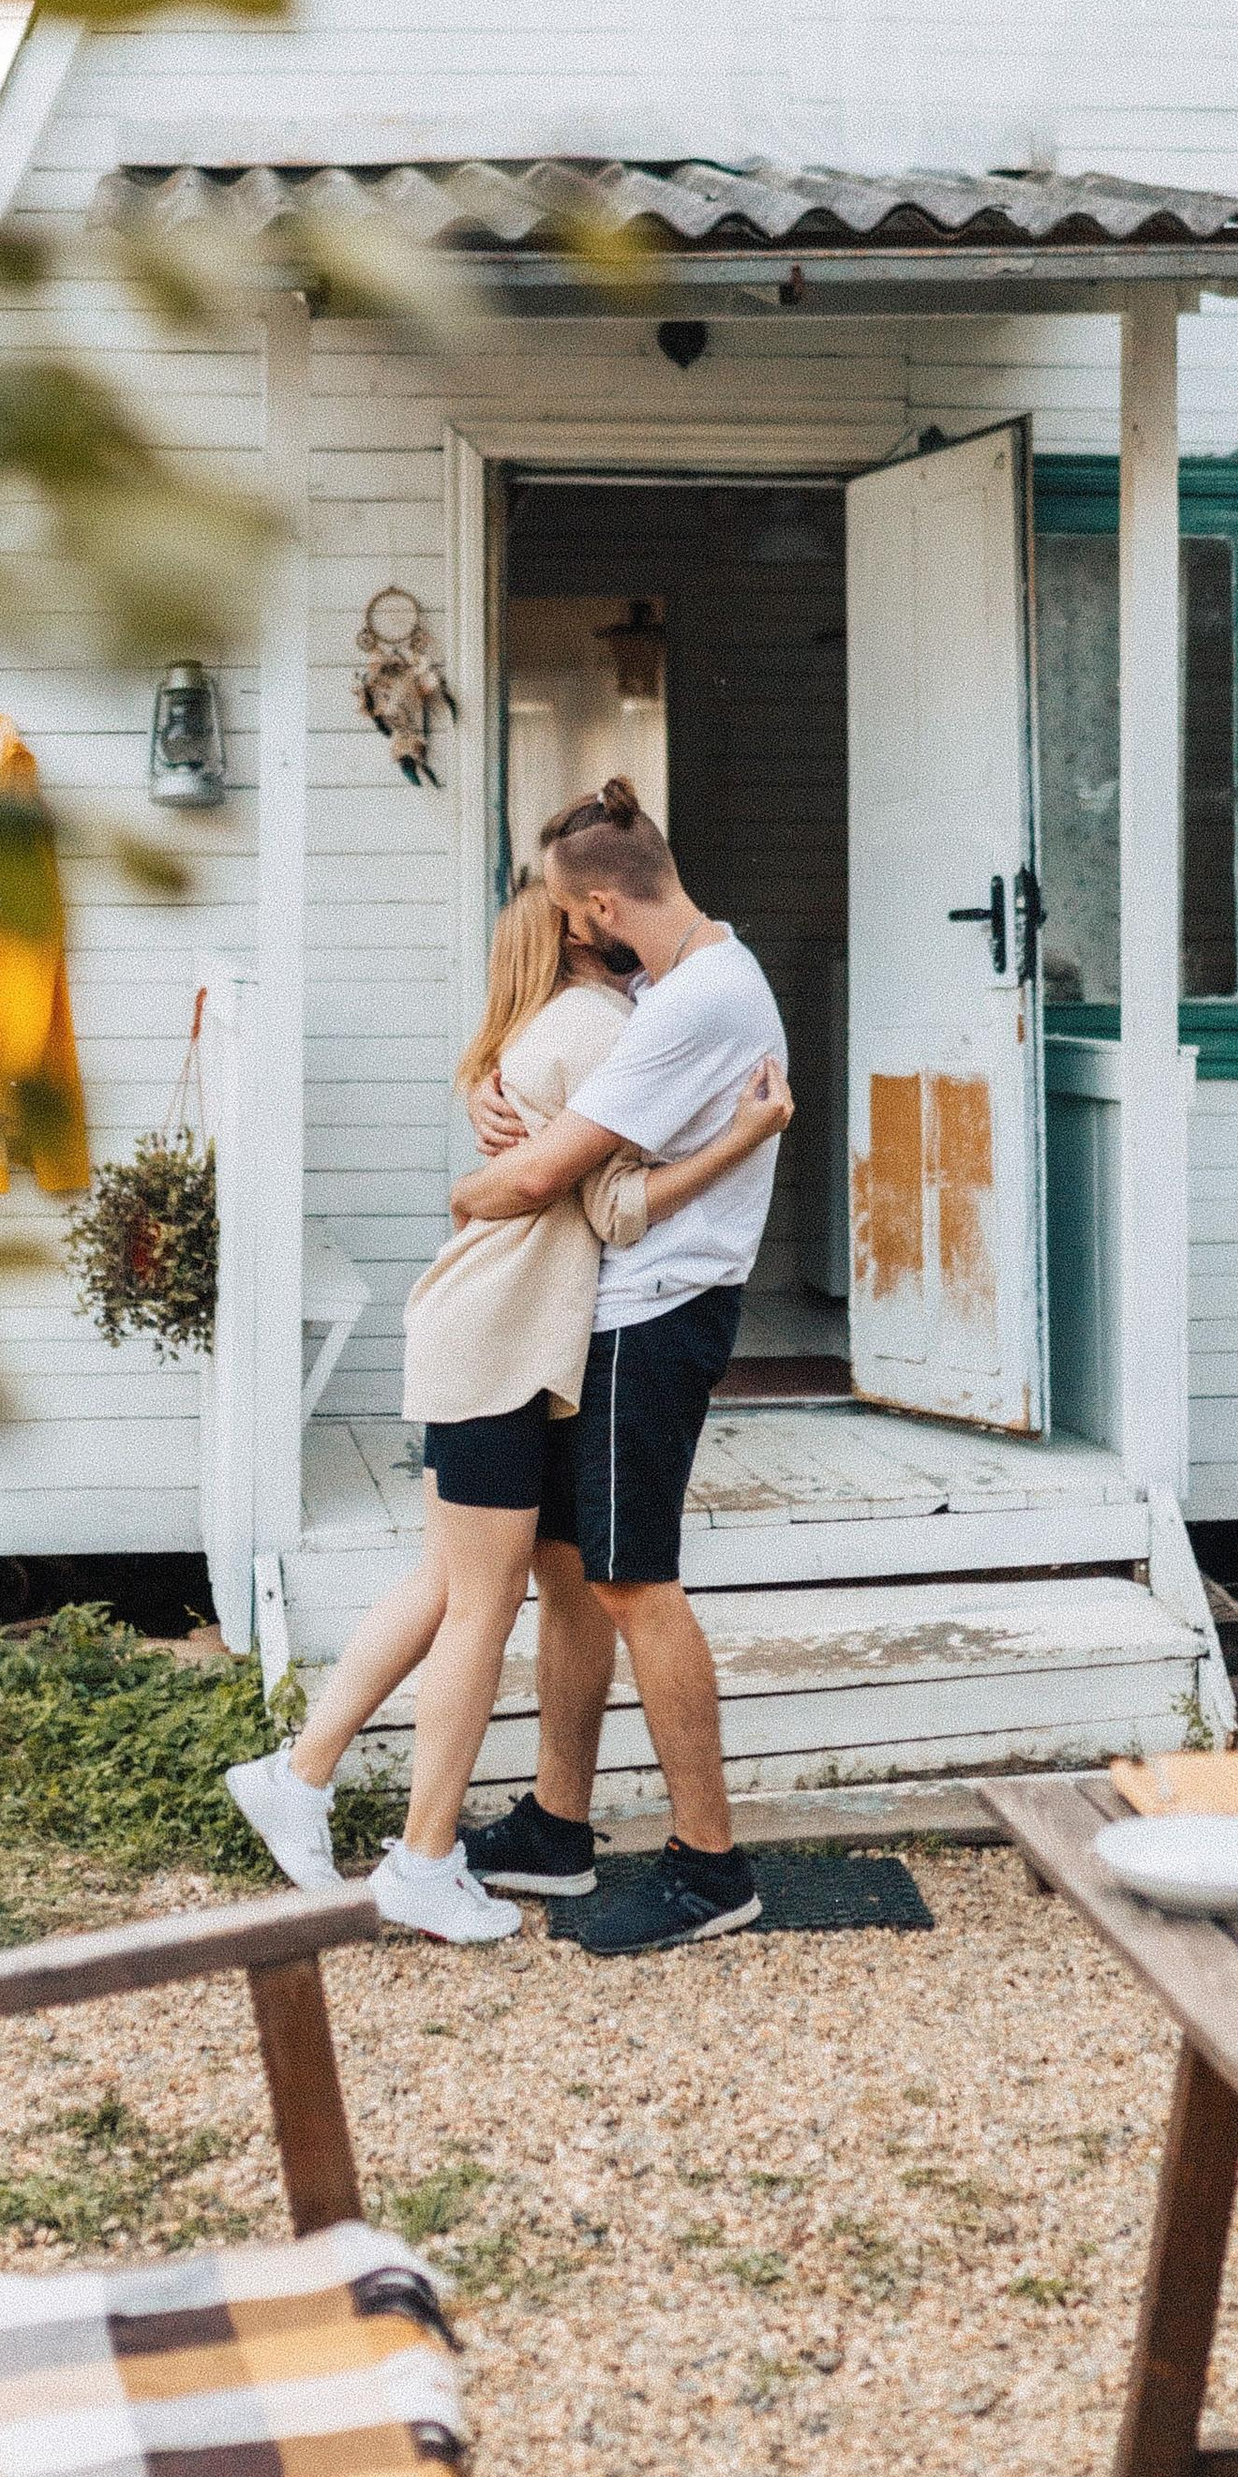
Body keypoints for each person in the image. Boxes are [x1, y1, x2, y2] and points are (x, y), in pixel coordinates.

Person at [227, 878, 789, 1941]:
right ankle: (421, 1858)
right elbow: (614, 1207)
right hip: (498, 1344)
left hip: (489, 1335)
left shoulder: (537, 1032)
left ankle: (298, 1778)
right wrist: (742, 1138)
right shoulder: (597, 1031)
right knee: (481, 1601)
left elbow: (537, 1171)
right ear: (584, 933)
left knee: (449, 1579)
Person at [453, 779, 791, 1957]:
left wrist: (474, 1186)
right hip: (610, 1312)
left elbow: (552, 1180)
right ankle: (558, 1822)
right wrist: (505, 1093)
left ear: (601, 901)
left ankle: (711, 1865)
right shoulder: (682, 979)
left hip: (651, 1315)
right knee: (566, 1565)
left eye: (563, 909)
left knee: (633, 1579)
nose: (562, 932)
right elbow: (565, 1100)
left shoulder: (696, 1004)